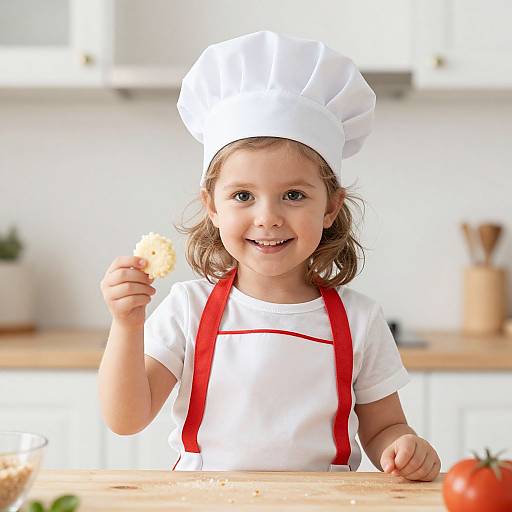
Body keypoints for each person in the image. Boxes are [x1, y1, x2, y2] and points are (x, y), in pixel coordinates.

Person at [99, 30, 441, 481]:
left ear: (330, 207)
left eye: (294, 195)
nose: (268, 217)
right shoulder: (188, 309)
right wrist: (127, 324)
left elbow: (384, 428)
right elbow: (126, 419)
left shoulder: (361, 321)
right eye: (243, 195)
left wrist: (403, 446)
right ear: (212, 206)